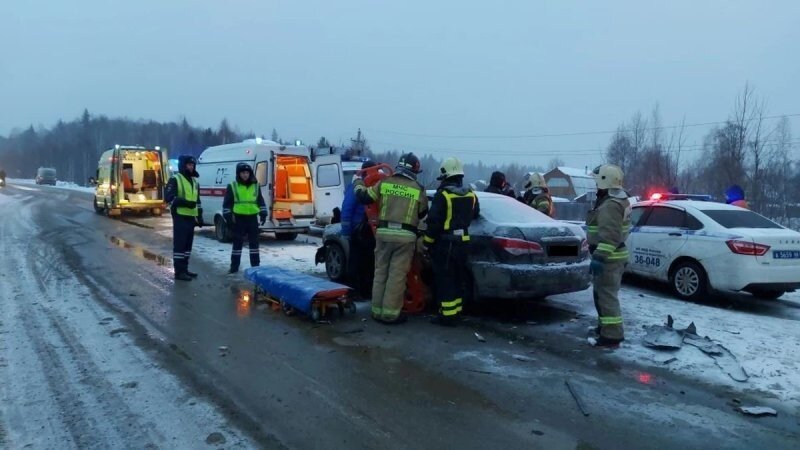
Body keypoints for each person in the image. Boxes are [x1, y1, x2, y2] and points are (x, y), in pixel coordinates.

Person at [354, 153, 428, 324]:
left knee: (380, 272)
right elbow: (423, 213)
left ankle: (376, 310)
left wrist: (357, 182)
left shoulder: (385, 183)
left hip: (383, 234)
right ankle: (389, 314)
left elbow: (364, 197)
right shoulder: (418, 188)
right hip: (405, 238)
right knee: (396, 275)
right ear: (415, 170)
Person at [424, 157, 479, 326]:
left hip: (446, 244)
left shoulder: (443, 196)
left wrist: (427, 242)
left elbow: (434, 222)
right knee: (458, 278)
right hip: (463, 243)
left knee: (445, 279)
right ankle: (456, 312)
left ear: (446, 175)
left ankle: (447, 316)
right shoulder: (471, 194)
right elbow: (475, 214)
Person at [585, 164, 631, 348]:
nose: (595, 185)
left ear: (605, 181)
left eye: (597, 181)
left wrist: (599, 257)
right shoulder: (619, 200)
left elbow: (610, 237)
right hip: (614, 256)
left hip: (609, 259)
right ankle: (604, 328)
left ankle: (611, 336)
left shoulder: (610, 205)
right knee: (602, 295)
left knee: (606, 297)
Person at [341, 160, 377, 298]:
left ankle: (363, 291)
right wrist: (346, 232)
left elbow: (347, 208)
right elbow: (347, 209)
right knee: (358, 262)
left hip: (366, 230)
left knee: (366, 262)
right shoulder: (358, 187)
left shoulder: (365, 186)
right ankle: (355, 291)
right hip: (360, 230)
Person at [165, 155, 204, 281]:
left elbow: (197, 201)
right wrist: (184, 202)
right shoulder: (175, 179)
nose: (191, 167)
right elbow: (168, 197)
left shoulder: (194, 181)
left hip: (191, 217)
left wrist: (200, 215)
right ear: (183, 165)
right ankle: (179, 271)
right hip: (180, 215)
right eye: (189, 165)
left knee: (188, 246)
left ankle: (185, 269)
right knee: (180, 245)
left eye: (192, 165)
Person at [223, 163, 267, 274]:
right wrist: (228, 219)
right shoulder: (233, 186)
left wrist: (263, 213)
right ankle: (234, 267)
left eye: (247, 173)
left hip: (252, 218)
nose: (245, 175)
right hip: (239, 219)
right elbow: (227, 205)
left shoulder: (256, 185)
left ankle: (256, 267)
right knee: (237, 244)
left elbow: (260, 201)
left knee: (254, 245)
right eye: (243, 173)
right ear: (238, 173)